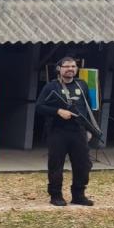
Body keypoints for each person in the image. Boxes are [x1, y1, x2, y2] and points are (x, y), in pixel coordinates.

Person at [35, 57, 94, 206]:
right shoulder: (51, 87)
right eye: (66, 66)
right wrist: (58, 111)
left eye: (73, 66)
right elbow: (39, 107)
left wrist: (89, 129)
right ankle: (56, 195)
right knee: (56, 165)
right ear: (59, 69)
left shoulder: (82, 85)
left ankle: (79, 195)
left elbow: (88, 109)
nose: (70, 69)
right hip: (58, 131)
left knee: (83, 164)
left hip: (78, 131)